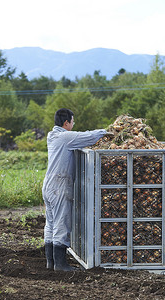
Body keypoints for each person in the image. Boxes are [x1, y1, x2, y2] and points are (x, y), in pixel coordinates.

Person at [43, 108, 110, 271]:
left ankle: (50, 262)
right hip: (59, 186)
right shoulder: (65, 137)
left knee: (50, 224)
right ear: (66, 123)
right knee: (61, 224)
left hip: (48, 185)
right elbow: (88, 137)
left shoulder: (52, 135)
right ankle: (60, 265)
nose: (73, 125)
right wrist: (106, 132)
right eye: (72, 122)